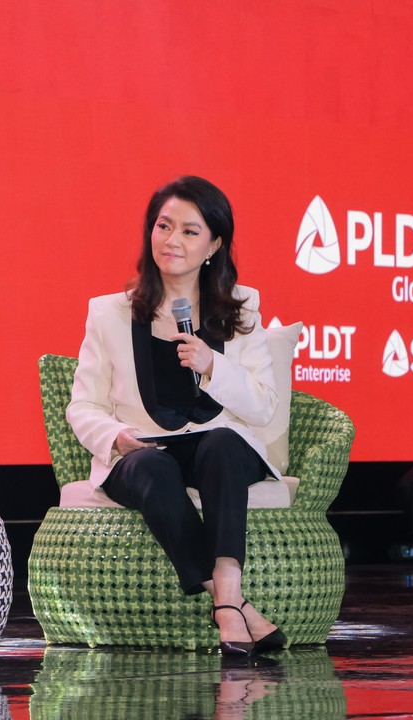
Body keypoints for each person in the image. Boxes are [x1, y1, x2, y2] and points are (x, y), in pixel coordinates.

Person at [66, 176, 287, 657]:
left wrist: (214, 366)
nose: (172, 240)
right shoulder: (109, 314)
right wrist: (117, 436)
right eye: (164, 226)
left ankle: (227, 587)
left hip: (218, 449)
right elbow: (82, 405)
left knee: (223, 444)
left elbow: (264, 406)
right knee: (151, 465)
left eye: (189, 231)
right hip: (142, 451)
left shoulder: (242, 308)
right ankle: (232, 605)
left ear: (214, 244)